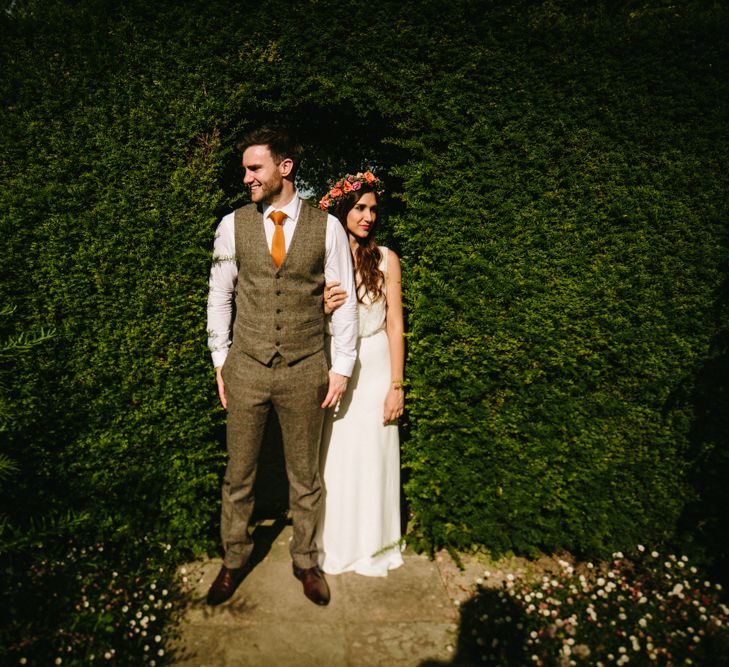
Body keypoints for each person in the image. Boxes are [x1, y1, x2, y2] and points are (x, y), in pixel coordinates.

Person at [205, 125, 358, 606]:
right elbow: (219, 296)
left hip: (307, 365)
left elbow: (345, 299)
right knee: (239, 475)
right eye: (246, 169)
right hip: (246, 366)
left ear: (284, 168)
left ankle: (306, 560)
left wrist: (342, 365)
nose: (246, 177)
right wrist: (220, 359)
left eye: (255, 168)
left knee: (306, 476)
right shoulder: (232, 225)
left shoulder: (327, 227)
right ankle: (233, 561)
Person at [316, 172, 405, 576]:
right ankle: (334, 543)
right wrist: (321, 308)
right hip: (336, 363)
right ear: (341, 210)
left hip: (376, 367)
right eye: (360, 208)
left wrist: (396, 386)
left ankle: (375, 545)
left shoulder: (386, 258)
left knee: (374, 458)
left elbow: (394, 326)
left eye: (372, 209)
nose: (368, 216)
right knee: (336, 458)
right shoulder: (321, 259)